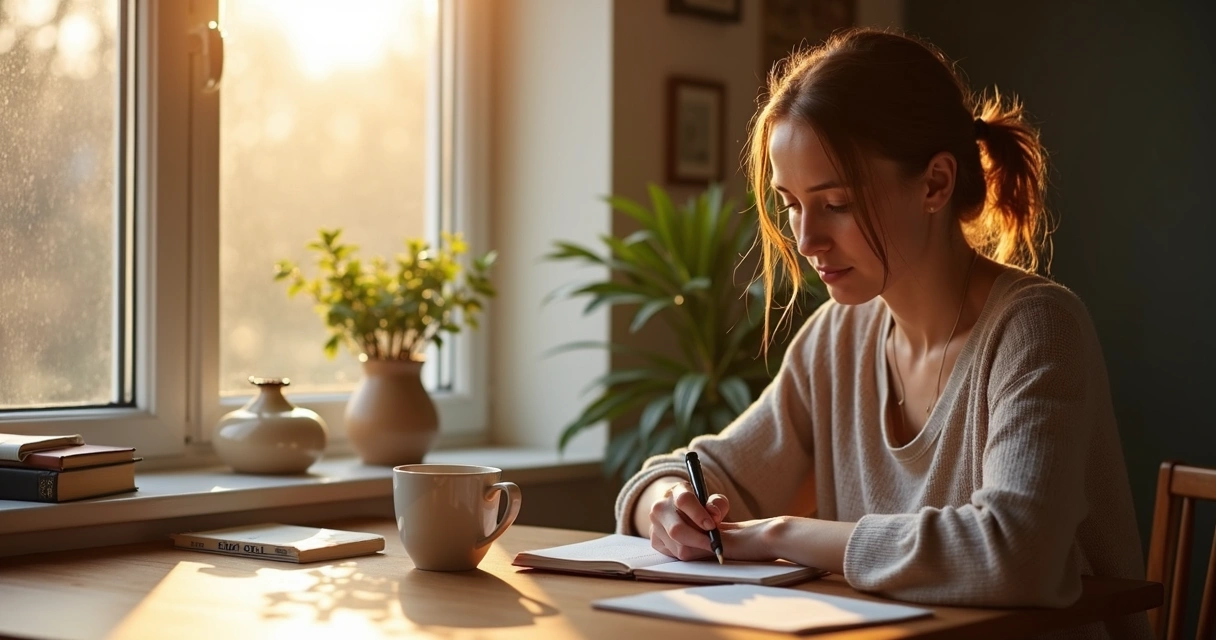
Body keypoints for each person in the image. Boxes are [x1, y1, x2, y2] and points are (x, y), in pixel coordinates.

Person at [614, 28, 1149, 640]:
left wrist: (783, 533)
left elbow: (1016, 552)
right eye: (790, 203)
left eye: (836, 203)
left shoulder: (1038, 329)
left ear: (935, 185)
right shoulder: (837, 339)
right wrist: (662, 501)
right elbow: (715, 473)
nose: (807, 239)